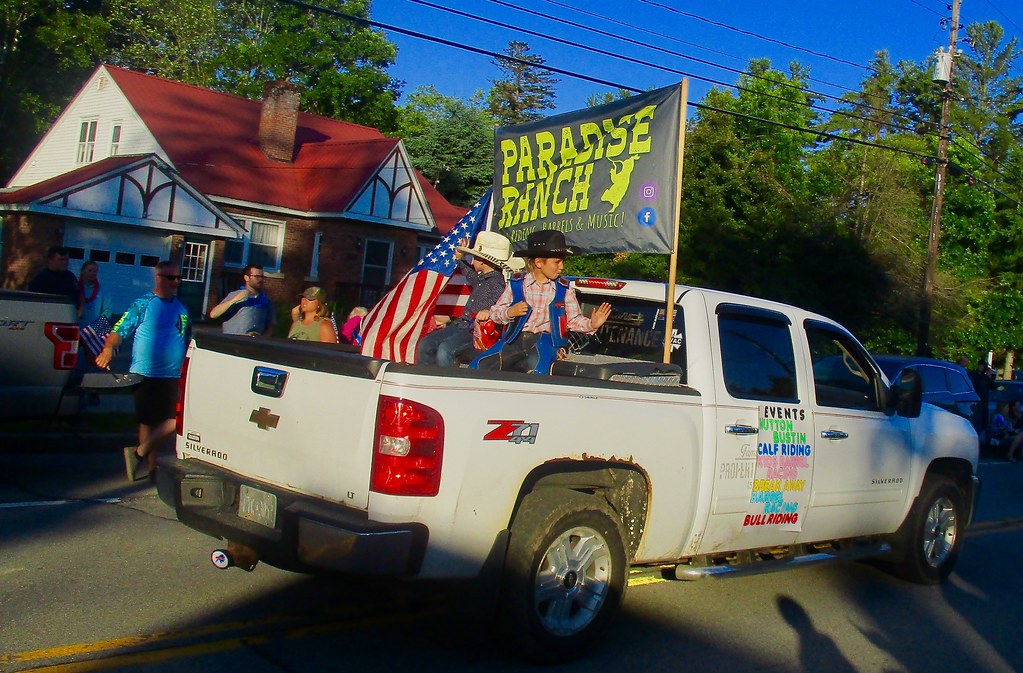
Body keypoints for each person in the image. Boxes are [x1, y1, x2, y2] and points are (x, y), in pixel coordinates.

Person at [95, 261, 191, 482]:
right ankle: (150, 467)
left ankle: (139, 452)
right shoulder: (143, 304)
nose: (175, 283)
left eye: (178, 278)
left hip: (173, 373)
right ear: (158, 278)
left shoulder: (182, 308)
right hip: (145, 373)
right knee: (149, 421)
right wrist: (109, 348)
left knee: (176, 418)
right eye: (170, 278)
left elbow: (185, 339)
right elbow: (120, 329)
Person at [472, 230, 611, 374]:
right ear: (538, 262)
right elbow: (495, 312)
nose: (561, 267)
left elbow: (573, 319)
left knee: (538, 370)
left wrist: (591, 324)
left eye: (563, 261)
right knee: (479, 365)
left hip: (545, 341)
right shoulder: (517, 284)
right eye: (557, 262)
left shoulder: (564, 288)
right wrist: (509, 312)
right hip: (514, 341)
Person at [416, 231, 517, 366]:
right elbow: (469, 273)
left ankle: (447, 382)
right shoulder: (481, 279)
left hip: (476, 331)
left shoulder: (497, 282)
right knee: (426, 344)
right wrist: (460, 259)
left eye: (474, 257)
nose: (472, 261)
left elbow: (503, 304)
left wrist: (489, 312)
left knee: (445, 350)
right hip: (461, 325)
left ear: (482, 261)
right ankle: (425, 377)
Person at [75, 260, 113, 407]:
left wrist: (97, 327)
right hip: (77, 331)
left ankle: (93, 391)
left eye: (95, 271)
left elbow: (107, 311)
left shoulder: (101, 291)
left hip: (94, 333)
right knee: (78, 363)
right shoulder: (76, 288)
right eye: (90, 270)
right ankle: (77, 391)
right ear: (83, 271)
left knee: (94, 364)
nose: (92, 274)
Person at [209, 264, 274, 336]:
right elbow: (213, 314)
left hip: (254, 343)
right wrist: (234, 300)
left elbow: (270, 327)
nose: (261, 280)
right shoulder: (235, 295)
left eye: (262, 276)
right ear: (246, 278)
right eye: (256, 276)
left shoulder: (266, 301)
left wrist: (262, 340)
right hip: (234, 341)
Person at [28, 246, 80, 310]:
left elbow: (77, 296)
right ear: (50, 260)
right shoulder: (41, 278)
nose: (64, 262)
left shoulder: (70, 277)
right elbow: (34, 302)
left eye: (66, 259)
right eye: (61, 260)